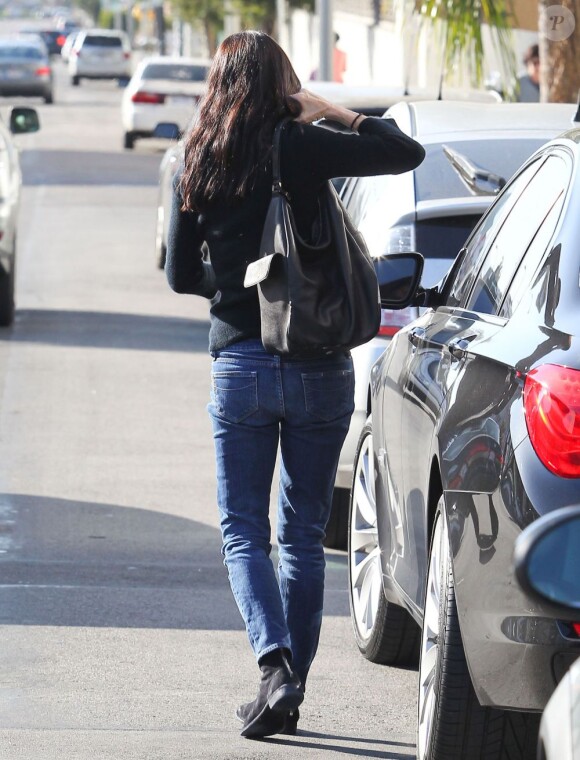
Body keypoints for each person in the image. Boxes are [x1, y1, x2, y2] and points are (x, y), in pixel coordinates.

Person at [165, 30, 425, 740]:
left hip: (240, 365)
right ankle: (290, 687)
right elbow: (406, 151)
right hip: (316, 364)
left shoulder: (196, 157)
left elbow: (182, 276)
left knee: (244, 532)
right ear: (283, 84)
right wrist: (329, 111)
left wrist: (240, 280)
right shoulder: (302, 146)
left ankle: (274, 668)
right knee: (304, 533)